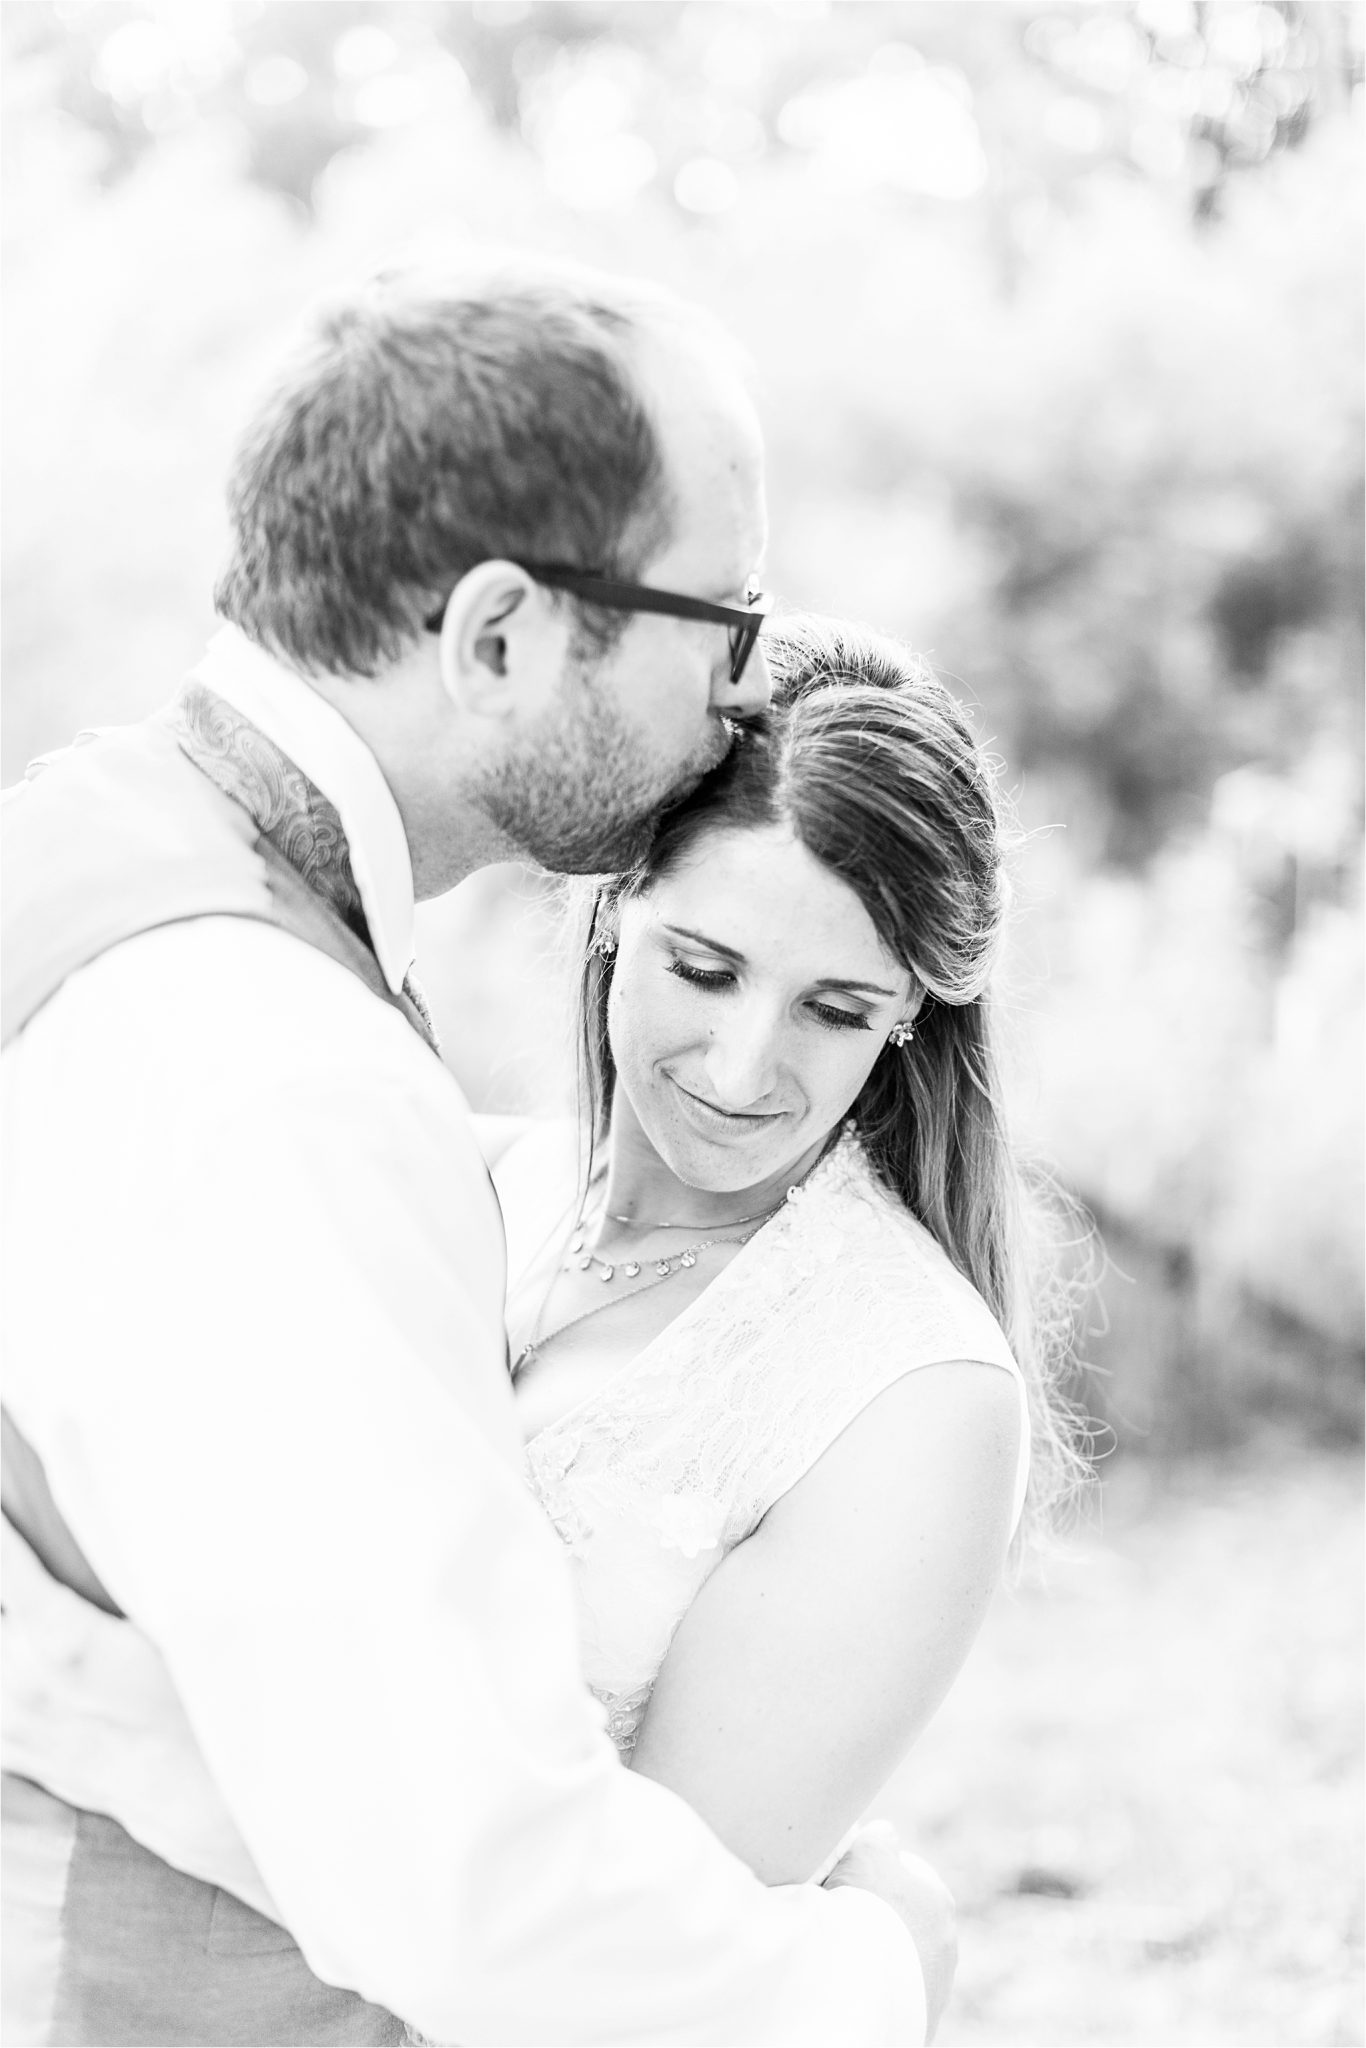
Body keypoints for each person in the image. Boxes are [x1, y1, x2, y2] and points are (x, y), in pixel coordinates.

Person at [0, 260, 953, 2047]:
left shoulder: (80, 842)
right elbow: (465, 1886)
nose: (740, 705)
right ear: (502, 631)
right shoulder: (271, 1072)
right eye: (721, 625)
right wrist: (872, 1974)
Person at [5, 615, 1090, 2014]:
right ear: (611, 906)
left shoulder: (910, 1396)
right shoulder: (440, 1172)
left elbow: (633, 1982)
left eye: (834, 1010)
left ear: (907, 1024)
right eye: (703, 969)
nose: (743, 1064)